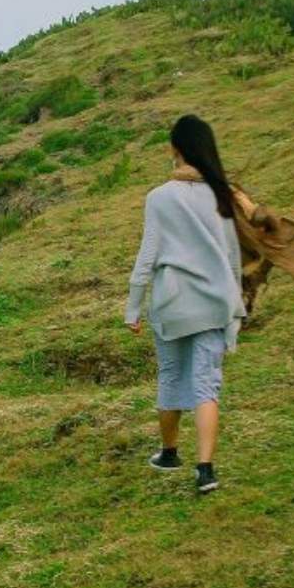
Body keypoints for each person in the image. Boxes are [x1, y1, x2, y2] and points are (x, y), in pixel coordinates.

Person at [124, 114, 247, 494]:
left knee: (171, 376)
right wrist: (237, 306)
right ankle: (206, 470)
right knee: (206, 385)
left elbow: (147, 257)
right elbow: (232, 258)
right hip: (214, 303)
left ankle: (169, 452)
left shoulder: (159, 197)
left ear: (174, 149)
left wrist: (132, 308)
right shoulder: (221, 194)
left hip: (172, 304)